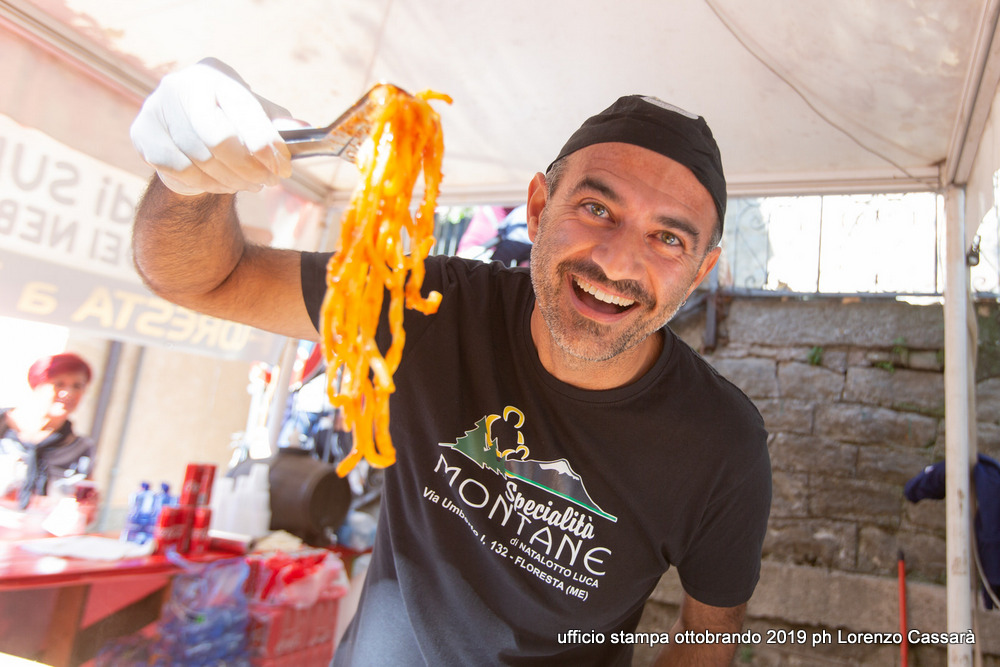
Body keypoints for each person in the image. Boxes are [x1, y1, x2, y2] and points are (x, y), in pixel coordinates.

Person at [129, 60, 772, 666]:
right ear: (540, 208)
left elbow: (707, 638)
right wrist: (192, 185)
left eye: (668, 238)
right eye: (597, 208)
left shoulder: (721, 443)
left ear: (699, 272)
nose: (617, 263)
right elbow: (210, 280)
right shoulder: (431, 307)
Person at [0, 353, 96, 509]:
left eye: (77, 386)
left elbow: (84, 506)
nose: (68, 393)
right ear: (37, 385)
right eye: (59, 384)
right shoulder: (3, 426)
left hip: (37, 530)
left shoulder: (80, 448)